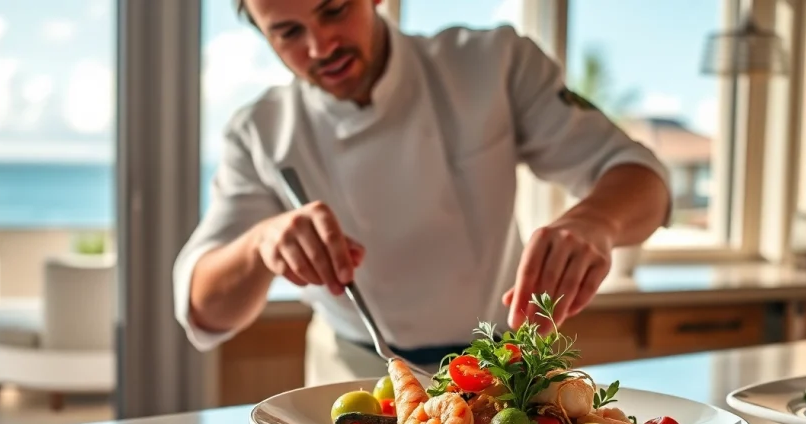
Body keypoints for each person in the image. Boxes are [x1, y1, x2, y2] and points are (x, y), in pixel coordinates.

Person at [173, 0, 671, 386]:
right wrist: (261, 242)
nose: (321, 46)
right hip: (352, 378)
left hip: (506, 372)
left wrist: (595, 223)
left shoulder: (493, 65)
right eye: (288, 32)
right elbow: (203, 307)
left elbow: (642, 179)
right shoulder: (258, 130)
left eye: (334, 10)